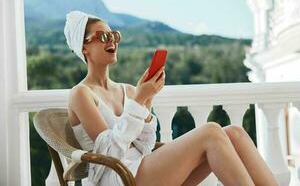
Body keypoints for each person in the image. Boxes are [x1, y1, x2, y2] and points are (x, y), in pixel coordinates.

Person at [64, 10, 278, 186]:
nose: (112, 41)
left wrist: (146, 100)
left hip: (143, 169)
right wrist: (138, 102)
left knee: (235, 133)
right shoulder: (81, 93)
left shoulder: (128, 90)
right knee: (211, 131)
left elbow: (145, 146)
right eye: (103, 37)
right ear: (84, 47)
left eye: (114, 35)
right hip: (118, 177)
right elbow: (109, 153)